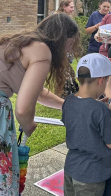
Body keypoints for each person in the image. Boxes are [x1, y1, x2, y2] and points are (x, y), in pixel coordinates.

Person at [0, 13, 80, 195]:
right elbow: (23, 108)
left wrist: (67, 105)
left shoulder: (26, 43)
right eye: (70, 45)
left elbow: (37, 92)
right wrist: (29, 125)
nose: (70, 52)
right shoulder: (42, 50)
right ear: (61, 39)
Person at [62, 53, 111, 196]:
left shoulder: (68, 101)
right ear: (101, 80)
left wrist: (98, 108)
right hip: (91, 174)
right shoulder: (101, 110)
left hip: (71, 167)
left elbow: (81, 118)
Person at [54, 0, 79, 98]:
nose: (73, 9)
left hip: (66, 50)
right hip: (61, 50)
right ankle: (64, 96)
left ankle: (69, 94)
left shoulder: (65, 17)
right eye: (71, 7)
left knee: (68, 73)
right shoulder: (58, 19)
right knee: (64, 74)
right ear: (64, 7)